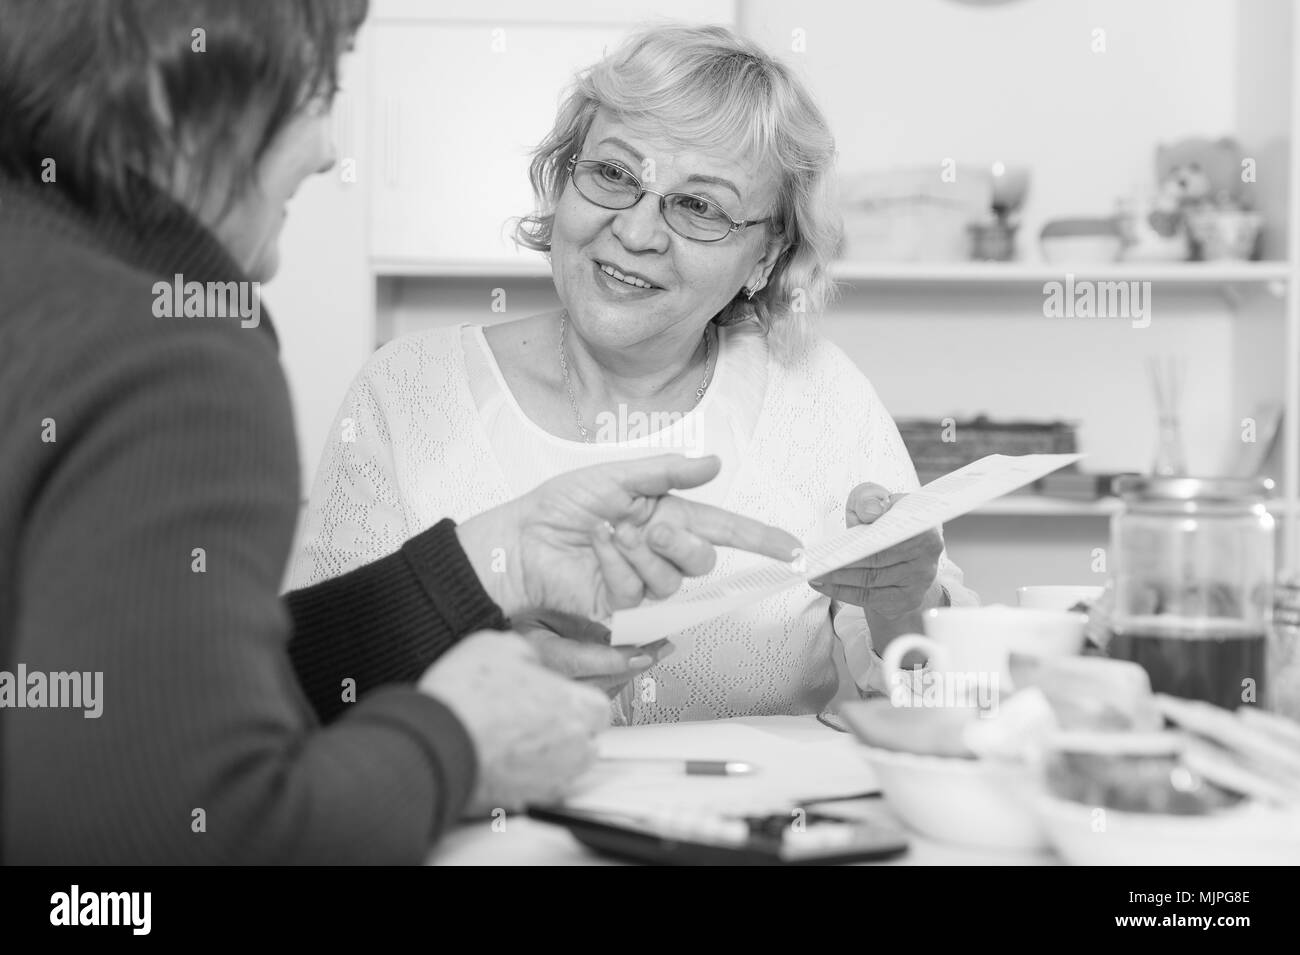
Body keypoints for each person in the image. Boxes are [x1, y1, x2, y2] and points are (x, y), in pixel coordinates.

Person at [0, 0, 799, 864]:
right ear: (180, 92)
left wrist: (489, 559)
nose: (329, 149)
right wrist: (451, 741)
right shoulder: (176, 359)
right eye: (319, 88)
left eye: (700, 209)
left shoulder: (43, 277)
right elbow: (162, 837)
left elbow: (151, 698)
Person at [291, 23, 979, 725]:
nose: (639, 231)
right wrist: (477, 675)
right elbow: (304, 690)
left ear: (768, 257)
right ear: (564, 180)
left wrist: (906, 610)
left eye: (700, 206)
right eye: (615, 175)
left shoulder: (821, 394)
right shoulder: (405, 391)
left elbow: (942, 711)